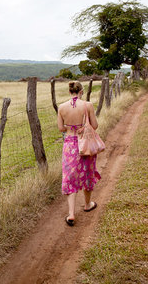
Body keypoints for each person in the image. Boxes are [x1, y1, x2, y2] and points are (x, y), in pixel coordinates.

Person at [57, 81, 101, 226]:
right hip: (85, 144)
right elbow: (94, 126)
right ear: (81, 91)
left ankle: (71, 214)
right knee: (87, 173)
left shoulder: (62, 107)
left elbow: (60, 128)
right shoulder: (87, 105)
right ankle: (88, 205)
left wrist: (70, 126)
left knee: (70, 177)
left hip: (70, 144)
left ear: (70, 92)